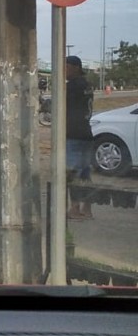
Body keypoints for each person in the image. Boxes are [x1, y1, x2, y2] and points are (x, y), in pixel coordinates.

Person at [66, 55, 95, 220]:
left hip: (73, 134)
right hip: (86, 133)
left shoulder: (72, 87)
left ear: (76, 67)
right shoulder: (88, 85)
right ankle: (87, 208)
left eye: (67, 67)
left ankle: (75, 208)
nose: (65, 71)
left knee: (72, 173)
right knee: (85, 173)